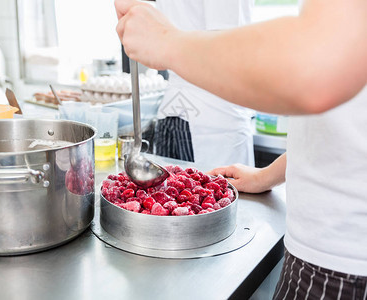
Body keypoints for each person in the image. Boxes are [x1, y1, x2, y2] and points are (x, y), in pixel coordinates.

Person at [114, 0, 367, 299]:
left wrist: (166, 41)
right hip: (332, 250)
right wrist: (269, 175)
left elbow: (315, 68)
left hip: (343, 261)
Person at [153, 0, 255, 168]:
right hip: (212, 118)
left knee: (172, 191)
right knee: (220, 191)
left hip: (173, 109)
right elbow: (226, 48)